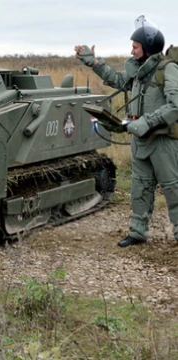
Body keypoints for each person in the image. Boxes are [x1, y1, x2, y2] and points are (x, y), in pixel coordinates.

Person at [75, 15, 178, 248]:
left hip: (164, 142)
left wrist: (145, 122)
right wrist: (93, 63)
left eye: (135, 46)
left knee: (173, 190)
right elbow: (118, 79)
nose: (131, 51)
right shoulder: (139, 73)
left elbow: (175, 106)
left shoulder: (167, 69)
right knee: (139, 189)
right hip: (140, 142)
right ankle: (138, 233)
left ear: (148, 48)